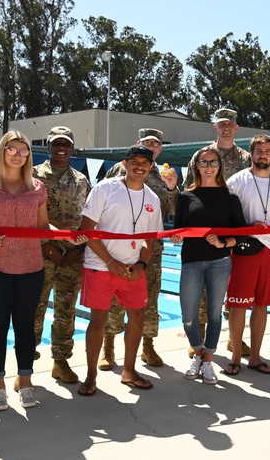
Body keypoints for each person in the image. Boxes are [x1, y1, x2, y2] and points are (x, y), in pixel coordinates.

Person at [0, 130, 84, 410]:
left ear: (29, 155)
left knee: (25, 327)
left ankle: (25, 383)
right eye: (11, 149)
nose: (17, 155)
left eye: (23, 151)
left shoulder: (36, 187)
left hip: (30, 266)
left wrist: (65, 235)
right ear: (2, 151)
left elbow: (42, 227)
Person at [77, 145, 164, 394]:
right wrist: (109, 262)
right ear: (125, 164)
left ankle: (129, 371)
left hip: (132, 269)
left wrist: (141, 264)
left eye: (145, 162)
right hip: (100, 266)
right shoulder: (106, 188)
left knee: (137, 317)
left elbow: (150, 238)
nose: (139, 166)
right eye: (134, 161)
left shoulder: (152, 199)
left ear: (151, 166)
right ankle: (91, 375)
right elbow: (87, 229)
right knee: (98, 320)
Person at [171, 146, 248, 384]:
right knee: (188, 317)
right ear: (196, 166)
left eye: (213, 163)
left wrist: (224, 243)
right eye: (203, 163)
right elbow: (179, 228)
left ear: (219, 166)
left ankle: (207, 362)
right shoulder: (185, 197)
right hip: (192, 262)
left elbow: (243, 234)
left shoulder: (230, 197)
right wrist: (177, 236)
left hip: (219, 263)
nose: (208, 167)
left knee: (215, 315)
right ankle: (199, 352)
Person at [102, 128, 178, 369]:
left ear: (160, 149)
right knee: (114, 298)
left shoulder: (166, 174)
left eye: (156, 144)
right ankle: (109, 346)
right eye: (147, 143)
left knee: (150, 298)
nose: (152, 147)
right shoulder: (118, 169)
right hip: (118, 247)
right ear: (138, 143)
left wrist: (172, 189)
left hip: (151, 250)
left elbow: (175, 210)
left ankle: (147, 347)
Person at [224, 134, 270, 375]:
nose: (263, 154)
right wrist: (247, 226)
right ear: (252, 154)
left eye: (267, 150)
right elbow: (226, 219)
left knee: (262, 306)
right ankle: (235, 357)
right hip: (244, 252)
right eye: (258, 150)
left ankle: (255, 357)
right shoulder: (236, 182)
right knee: (238, 306)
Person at [185, 108, 253, 358]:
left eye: (230, 124)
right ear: (215, 127)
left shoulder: (247, 158)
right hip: (206, 234)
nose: (226, 128)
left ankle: (233, 339)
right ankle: (197, 341)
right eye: (222, 124)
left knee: (233, 289)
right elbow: (189, 190)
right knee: (203, 292)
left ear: (236, 128)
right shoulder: (202, 155)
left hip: (235, 229)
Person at [31, 126, 91, 386]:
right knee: (34, 308)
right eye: (56, 144)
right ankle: (26, 364)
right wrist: (47, 247)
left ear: (72, 148)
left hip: (72, 255)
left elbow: (88, 219)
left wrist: (77, 250)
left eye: (66, 143)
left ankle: (61, 361)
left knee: (66, 310)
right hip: (39, 253)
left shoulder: (81, 180)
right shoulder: (33, 176)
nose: (61, 148)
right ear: (49, 147)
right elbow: (26, 214)